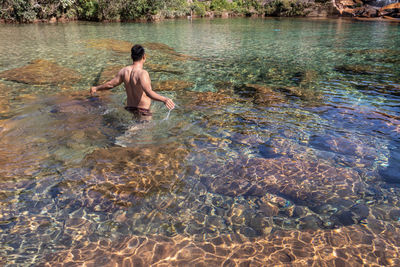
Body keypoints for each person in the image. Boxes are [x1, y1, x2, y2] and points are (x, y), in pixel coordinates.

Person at [90, 44, 175, 121]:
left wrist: (96, 88)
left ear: (131, 56)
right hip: (143, 111)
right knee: (144, 136)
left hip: (129, 108)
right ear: (144, 57)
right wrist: (165, 99)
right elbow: (148, 92)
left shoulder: (124, 71)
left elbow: (110, 84)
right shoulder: (142, 73)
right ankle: (127, 136)